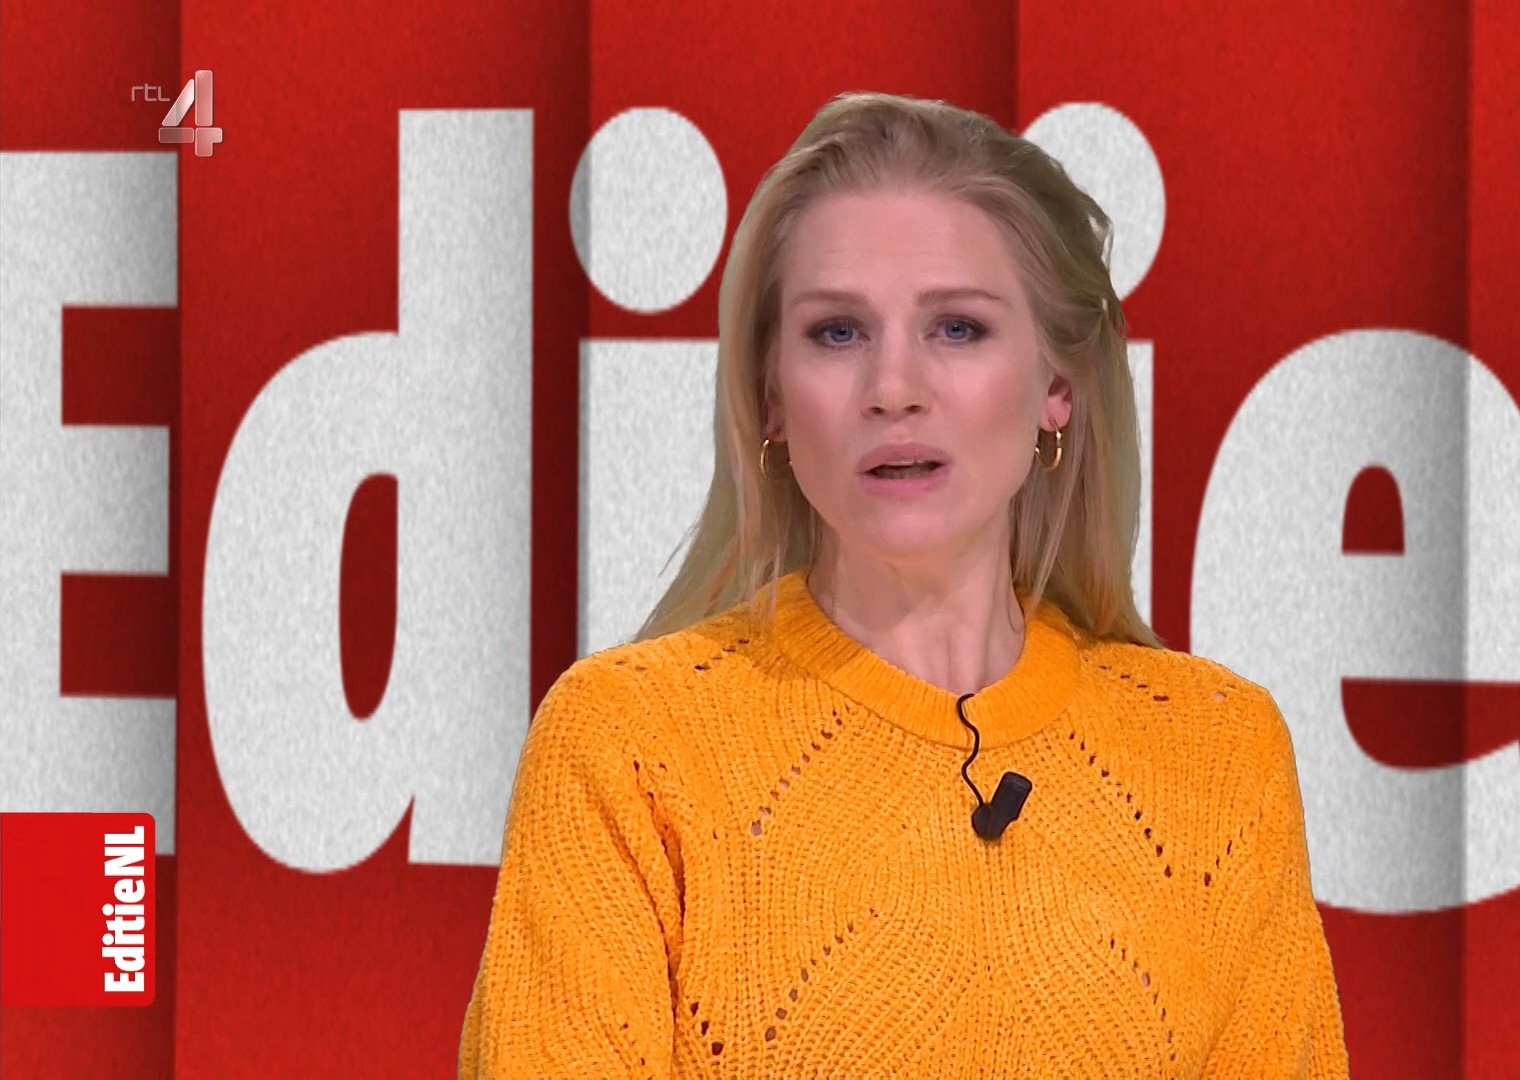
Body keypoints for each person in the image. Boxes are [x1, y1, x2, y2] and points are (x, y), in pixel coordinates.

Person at [458, 89, 1347, 1079]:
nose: (893, 388)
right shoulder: (625, 746)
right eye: (837, 332)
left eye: (957, 329)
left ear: (1058, 386)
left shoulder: (1221, 754)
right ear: (771, 397)